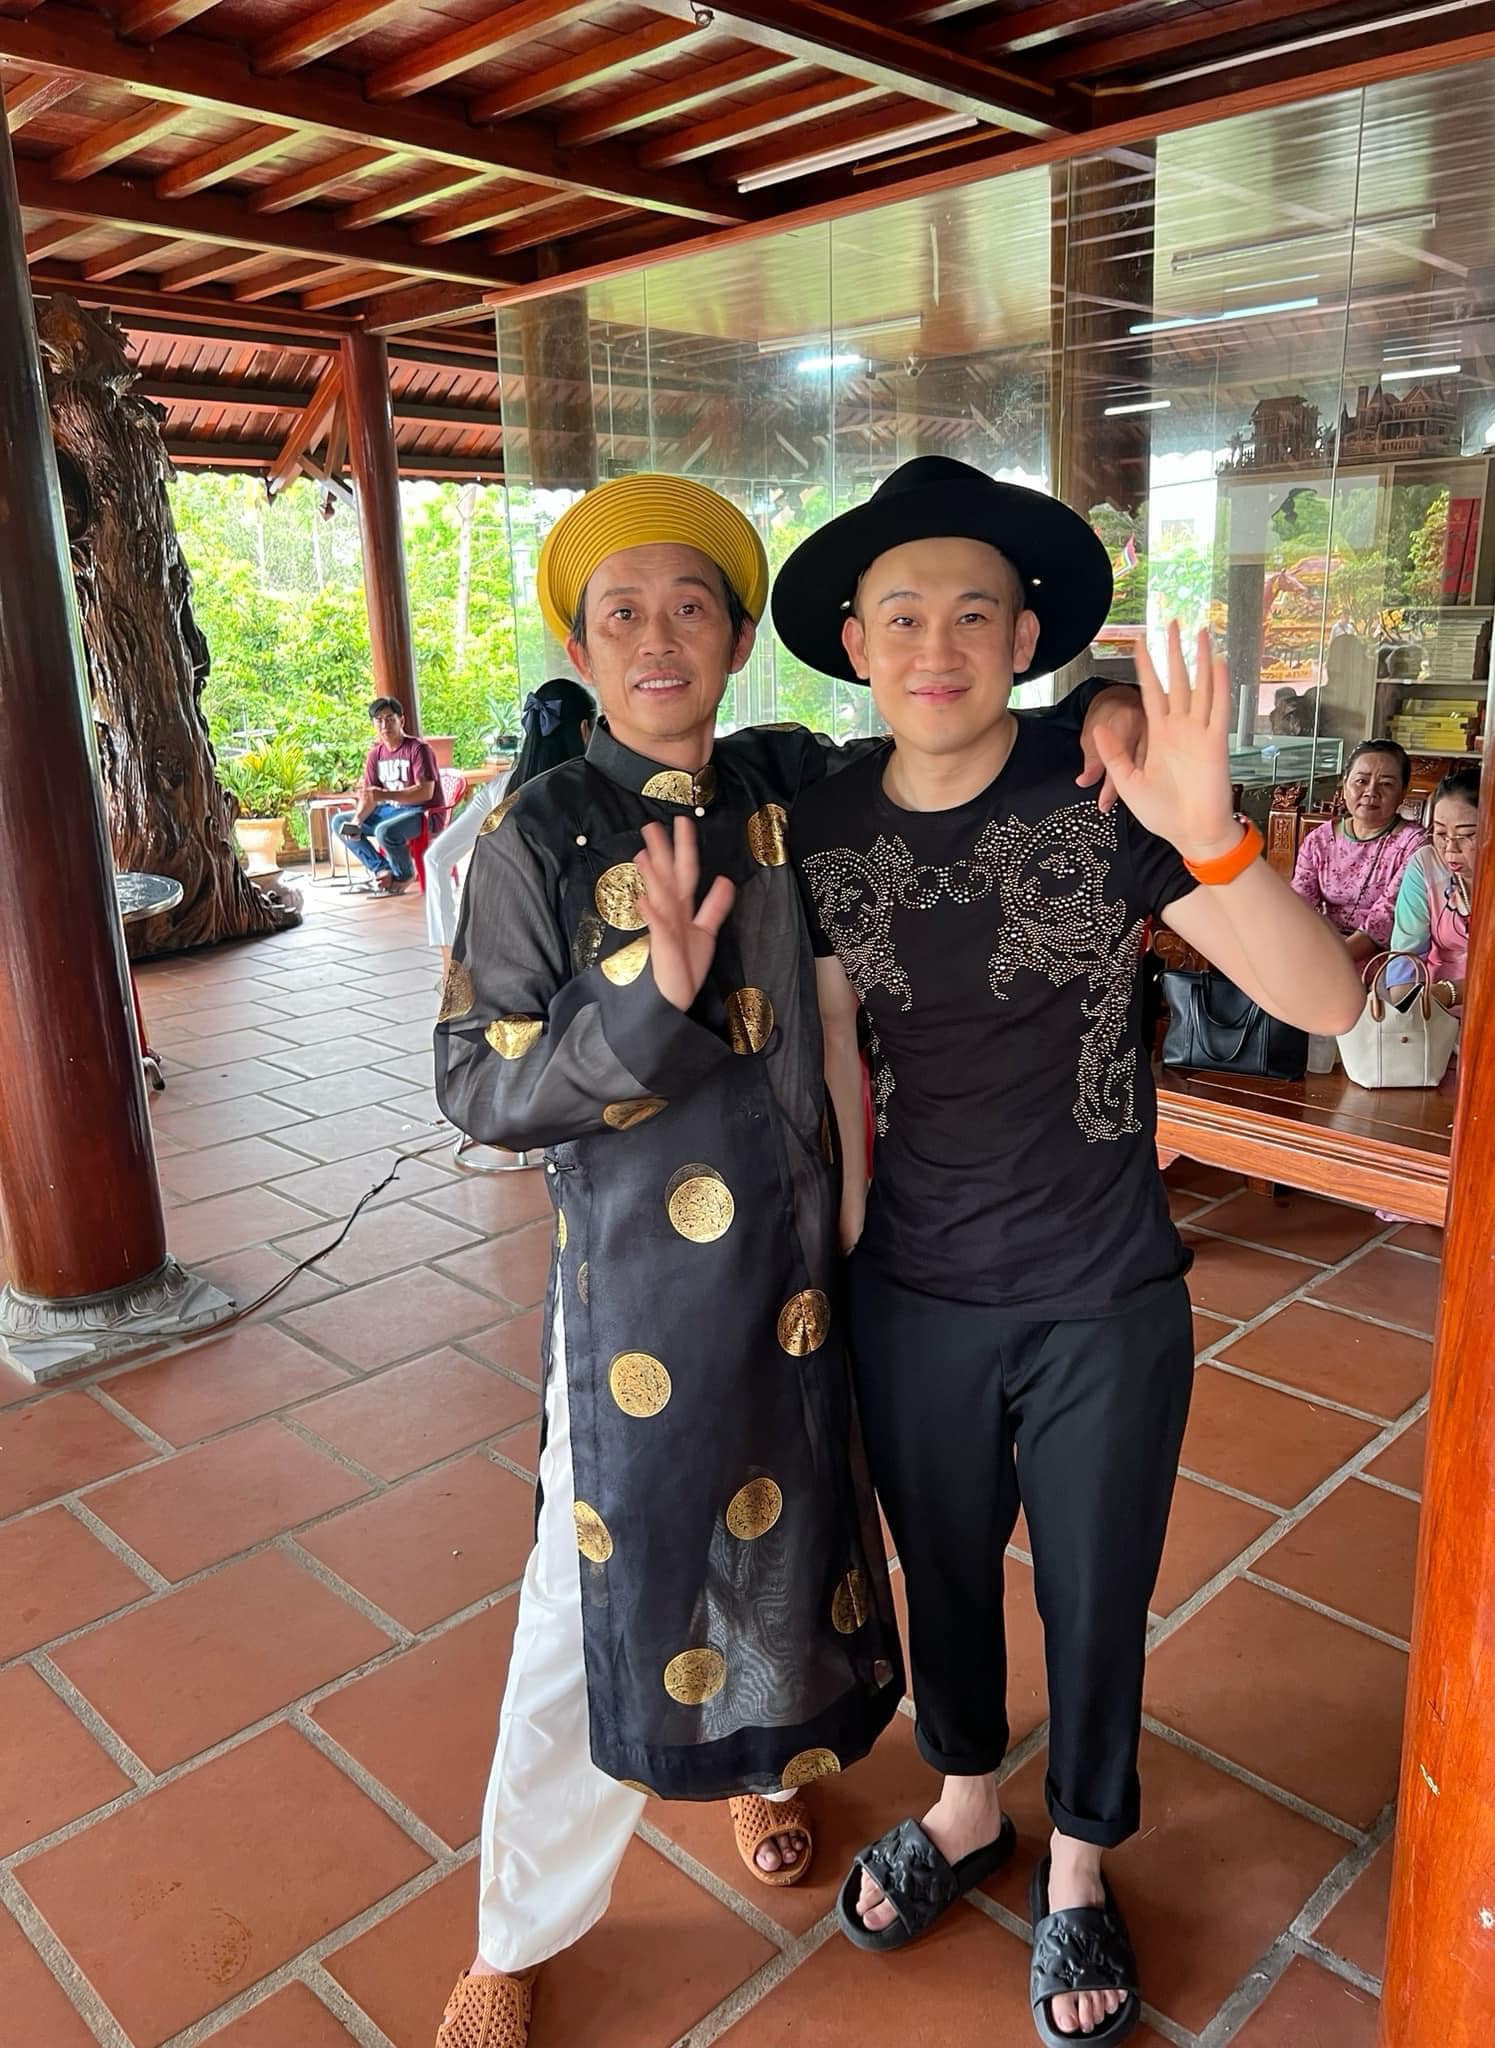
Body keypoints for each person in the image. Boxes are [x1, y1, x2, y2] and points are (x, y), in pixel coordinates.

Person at [430, 471, 1153, 2048]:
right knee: (579, 1606)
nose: (659, 638)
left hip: (812, 1282)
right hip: (637, 1304)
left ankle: (756, 1769)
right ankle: (515, 1929)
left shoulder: (783, 782)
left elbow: (953, 731)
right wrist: (642, 999)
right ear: (580, 646)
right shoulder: (535, 834)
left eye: (692, 606)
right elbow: (474, 1082)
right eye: (623, 613)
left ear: (739, 636)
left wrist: (1102, 706)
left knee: (780, 1542)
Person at [772, 455, 1362, 2046]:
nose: (937, 644)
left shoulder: (1103, 786)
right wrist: (839, 1252)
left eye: (974, 613)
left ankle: (1083, 1858)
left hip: (1102, 1290)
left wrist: (1209, 834)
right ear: (854, 640)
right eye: (902, 615)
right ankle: (967, 1803)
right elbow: (832, 1043)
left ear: (1025, 636)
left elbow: (1324, 1002)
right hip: (914, 1289)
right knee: (943, 1569)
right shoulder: (819, 821)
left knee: (1097, 1590)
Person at [425, 678, 596, 965]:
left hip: (508, 938)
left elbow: (436, 858)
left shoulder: (500, 789)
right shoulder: (596, 791)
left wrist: (448, 954)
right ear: (584, 729)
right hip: (580, 944)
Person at [1290, 738, 1426, 966]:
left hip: (1382, 958)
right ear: (1345, 786)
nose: (1371, 792)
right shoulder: (1319, 840)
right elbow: (1299, 906)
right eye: (1361, 781)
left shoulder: (1415, 844)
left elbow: (1386, 917)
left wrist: (1331, 960)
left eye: (1386, 784)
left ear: (1403, 793)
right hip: (1320, 948)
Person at [1386, 763, 1479, 1013]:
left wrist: (1451, 992)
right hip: (1433, 1008)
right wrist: (1407, 1010)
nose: (1450, 848)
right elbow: (1406, 953)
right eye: (1440, 833)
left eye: (1467, 835)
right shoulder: (1426, 865)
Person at [332, 696, 442, 895]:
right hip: (390, 811)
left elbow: (426, 792)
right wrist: (357, 821)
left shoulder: (418, 749)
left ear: (402, 720)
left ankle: (404, 875)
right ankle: (382, 870)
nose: (385, 725)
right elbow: (370, 796)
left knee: (384, 831)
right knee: (340, 822)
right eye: (379, 720)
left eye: (390, 719)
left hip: (422, 813)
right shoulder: (375, 754)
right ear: (373, 724)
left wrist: (384, 794)